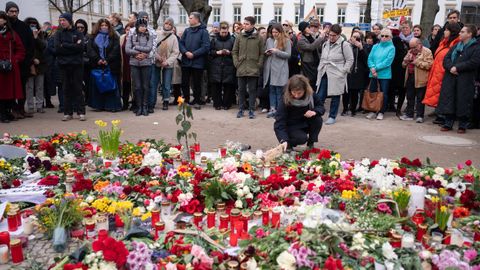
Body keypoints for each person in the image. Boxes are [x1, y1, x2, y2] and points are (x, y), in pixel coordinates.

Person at [437, 25, 480, 133]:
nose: (459, 33)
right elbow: (446, 59)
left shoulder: (476, 47)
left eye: (462, 32)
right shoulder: (456, 46)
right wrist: (451, 67)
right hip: (451, 77)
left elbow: (474, 62)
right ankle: (448, 123)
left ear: (470, 34)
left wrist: (458, 67)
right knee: (449, 99)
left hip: (465, 79)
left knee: (463, 100)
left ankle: (462, 125)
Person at [423, 22, 461, 124]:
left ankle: (445, 116)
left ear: (452, 32)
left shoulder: (456, 44)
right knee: (439, 95)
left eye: (447, 30)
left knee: (445, 95)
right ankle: (440, 114)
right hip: (437, 72)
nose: (444, 31)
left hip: (445, 73)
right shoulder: (444, 42)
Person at [274, 75, 324, 150]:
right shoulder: (285, 99)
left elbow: (321, 107)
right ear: (290, 90)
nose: (296, 96)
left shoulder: (311, 95)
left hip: (305, 122)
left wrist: (314, 112)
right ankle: (288, 145)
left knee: (318, 119)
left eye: (299, 93)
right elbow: (279, 122)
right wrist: (283, 140)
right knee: (301, 138)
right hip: (291, 126)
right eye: (294, 92)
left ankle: (311, 143)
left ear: (305, 90)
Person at [317, 24, 354, 125]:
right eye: (330, 35)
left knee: (335, 95)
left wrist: (343, 71)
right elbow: (323, 58)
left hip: (337, 73)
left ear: (339, 35)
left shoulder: (344, 44)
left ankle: (332, 116)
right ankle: (317, 115)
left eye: (334, 35)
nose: (331, 37)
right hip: (325, 71)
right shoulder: (326, 43)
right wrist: (319, 69)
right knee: (320, 96)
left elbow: (350, 60)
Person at [54, 13, 86, 121]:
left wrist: (65, 45)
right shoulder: (58, 34)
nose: (62, 22)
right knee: (66, 88)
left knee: (78, 88)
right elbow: (57, 49)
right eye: (60, 20)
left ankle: (81, 112)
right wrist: (73, 46)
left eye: (64, 20)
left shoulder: (78, 33)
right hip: (64, 65)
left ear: (69, 21)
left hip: (77, 65)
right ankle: (68, 112)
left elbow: (80, 48)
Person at [232, 16, 265, 119]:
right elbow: (234, 51)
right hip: (241, 67)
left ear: (252, 25)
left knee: (252, 90)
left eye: (246, 24)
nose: (244, 25)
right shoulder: (239, 37)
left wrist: (259, 64)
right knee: (241, 90)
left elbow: (262, 53)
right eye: (244, 23)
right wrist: (236, 63)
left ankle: (251, 110)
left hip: (253, 67)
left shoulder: (259, 38)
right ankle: (241, 109)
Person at [5, 1, 34, 119]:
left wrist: (28, 60)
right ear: (7, 12)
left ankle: (21, 109)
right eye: (11, 11)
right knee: (10, 88)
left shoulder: (24, 26)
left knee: (22, 88)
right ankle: (12, 109)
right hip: (7, 64)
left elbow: (30, 44)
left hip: (23, 63)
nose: (14, 13)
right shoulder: (5, 26)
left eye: (16, 11)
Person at [87, 18, 122, 112]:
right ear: (98, 26)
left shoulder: (114, 36)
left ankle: (111, 106)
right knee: (98, 86)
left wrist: (107, 60)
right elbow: (90, 49)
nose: (104, 27)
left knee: (111, 86)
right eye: (102, 25)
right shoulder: (92, 37)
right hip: (97, 65)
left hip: (110, 65)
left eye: (106, 25)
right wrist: (98, 59)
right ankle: (98, 105)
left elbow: (116, 50)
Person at [179, 12, 210, 109]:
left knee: (197, 83)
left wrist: (194, 54)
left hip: (198, 62)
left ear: (197, 19)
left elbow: (206, 46)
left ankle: (197, 100)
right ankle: (186, 100)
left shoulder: (204, 32)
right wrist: (185, 52)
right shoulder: (187, 31)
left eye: (191, 18)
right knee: (184, 82)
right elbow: (181, 43)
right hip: (186, 61)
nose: (189, 19)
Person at [399, 38, 433, 123]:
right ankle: (409, 115)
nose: (413, 49)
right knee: (410, 97)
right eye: (411, 47)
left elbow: (429, 65)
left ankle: (419, 116)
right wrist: (405, 61)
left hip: (421, 78)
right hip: (410, 76)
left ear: (419, 44)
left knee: (420, 98)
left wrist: (416, 62)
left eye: (414, 47)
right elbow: (403, 65)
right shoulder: (410, 51)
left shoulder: (427, 51)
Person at [0, 11, 25, 123]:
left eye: (2, 18)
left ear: (5, 20)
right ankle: (2, 114)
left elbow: (20, 49)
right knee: (1, 91)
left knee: (10, 92)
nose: (0, 20)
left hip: (10, 66)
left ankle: (7, 111)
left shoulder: (12, 34)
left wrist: (14, 60)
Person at [366, 28, 395, 120]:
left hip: (384, 75)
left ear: (390, 37)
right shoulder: (375, 46)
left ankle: (381, 111)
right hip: (373, 73)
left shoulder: (391, 48)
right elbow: (369, 58)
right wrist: (372, 68)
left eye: (386, 36)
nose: (384, 38)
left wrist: (375, 68)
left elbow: (387, 62)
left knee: (383, 94)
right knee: (373, 92)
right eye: (382, 35)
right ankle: (373, 110)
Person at [263, 23, 291, 118]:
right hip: (270, 68)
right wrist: (267, 52)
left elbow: (288, 55)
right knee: (271, 89)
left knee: (279, 90)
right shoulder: (269, 40)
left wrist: (276, 51)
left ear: (280, 32)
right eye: (273, 32)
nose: (274, 34)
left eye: (276, 32)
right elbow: (266, 52)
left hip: (280, 68)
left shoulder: (286, 41)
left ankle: (279, 110)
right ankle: (272, 109)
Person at [126, 18, 153, 116]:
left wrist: (136, 48)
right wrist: (139, 53)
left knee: (145, 86)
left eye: (145, 26)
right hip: (134, 63)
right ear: (137, 26)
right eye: (141, 26)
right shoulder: (131, 35)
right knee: (137, 87)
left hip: (146, 63)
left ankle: (145, 106)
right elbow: (127, 50)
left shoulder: (149, 36)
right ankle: (139, 106)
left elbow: (149, 48)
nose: (143, 28)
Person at [208, 21, 235, 110]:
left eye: (225, 32)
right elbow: (210, 52)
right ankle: (217, 104)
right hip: (216, 65)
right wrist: (217, 52)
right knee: (216, 86)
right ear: (219, 30)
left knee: (228, 86)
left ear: (228, 30)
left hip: (229, 65)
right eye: (222, 32)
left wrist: (229, 52)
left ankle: (227, 104)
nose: (224, 34)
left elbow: (235, 52)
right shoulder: (214, 39)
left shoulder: (232, 40)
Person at [155, 17, 180, 110]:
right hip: (156, 62)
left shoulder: (173, 38)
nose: (168, 25)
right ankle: (152, 102)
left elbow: (175, 52)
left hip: (168, 64)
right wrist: (158, 57)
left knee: (166, 84)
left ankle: (166, 101)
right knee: (154, 83)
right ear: (163, 24)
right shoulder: (157, 34)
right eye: (166, 23)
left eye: (170, 24)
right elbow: (152, 48)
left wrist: (167, 61)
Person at [343, 31, 369, 117]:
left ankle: (353, 109)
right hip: (348, 72)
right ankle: (345, 109)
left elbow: (366, 60)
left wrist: (361, 48)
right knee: (346, 92)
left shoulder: (363, 46)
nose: (355, 39)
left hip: (357, 73)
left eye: (357, 38)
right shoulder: (346, 45)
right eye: (354, 37)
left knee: (354, 93)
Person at [24, 17, 46, 114]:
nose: (33, 26)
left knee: (39, 87)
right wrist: (32, 60)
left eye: (34, 24)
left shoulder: (40, 35)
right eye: (30, 24)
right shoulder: (24, 35)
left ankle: (39, 105)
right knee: (29, 87)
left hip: (40, 65)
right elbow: (24, 50)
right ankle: (30, 107)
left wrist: (36, 37)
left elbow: (43, 47)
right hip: (29, 64)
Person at [297, 21, 324, 89]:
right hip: (308, 64)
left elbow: (317, 47)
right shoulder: (301, 40)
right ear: (303, 29)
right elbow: (311, 47)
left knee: (316, 82)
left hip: (316, 62)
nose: (310, 28)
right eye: (307, 27)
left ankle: (314, 97)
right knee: (310, 82)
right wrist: (320, 38)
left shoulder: (312, 36)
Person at [75, 19, 91, 104]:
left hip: (86, 63)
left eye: (82, 27)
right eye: (78, 27)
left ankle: (87, 99)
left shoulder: (88, 37)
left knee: (87, 82)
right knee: (78, 82)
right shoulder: (73, 36)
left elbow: (89, 51)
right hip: (76, 63)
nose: (80, 29)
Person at [120, 22, 133, 110]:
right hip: (124, 64)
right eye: (127, 29)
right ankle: (125, 103)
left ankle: (134, 103)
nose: (129, 31)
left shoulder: (136, 38)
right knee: (125, 84)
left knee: (133, 84)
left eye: (131, 30)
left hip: (133, 64)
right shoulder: (122, 38)